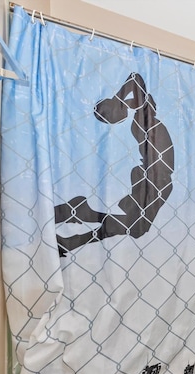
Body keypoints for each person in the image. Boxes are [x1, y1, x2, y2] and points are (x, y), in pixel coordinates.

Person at [55, 73, 174, 256]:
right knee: (136, 227)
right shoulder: (144, 120)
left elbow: (139, 88)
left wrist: (121, 102)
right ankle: (77, 221)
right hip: (155, 179)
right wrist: (118, 101)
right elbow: (136, 78)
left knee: (135, 226)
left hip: (155, 178)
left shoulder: (145, 122)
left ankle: (79, 217)